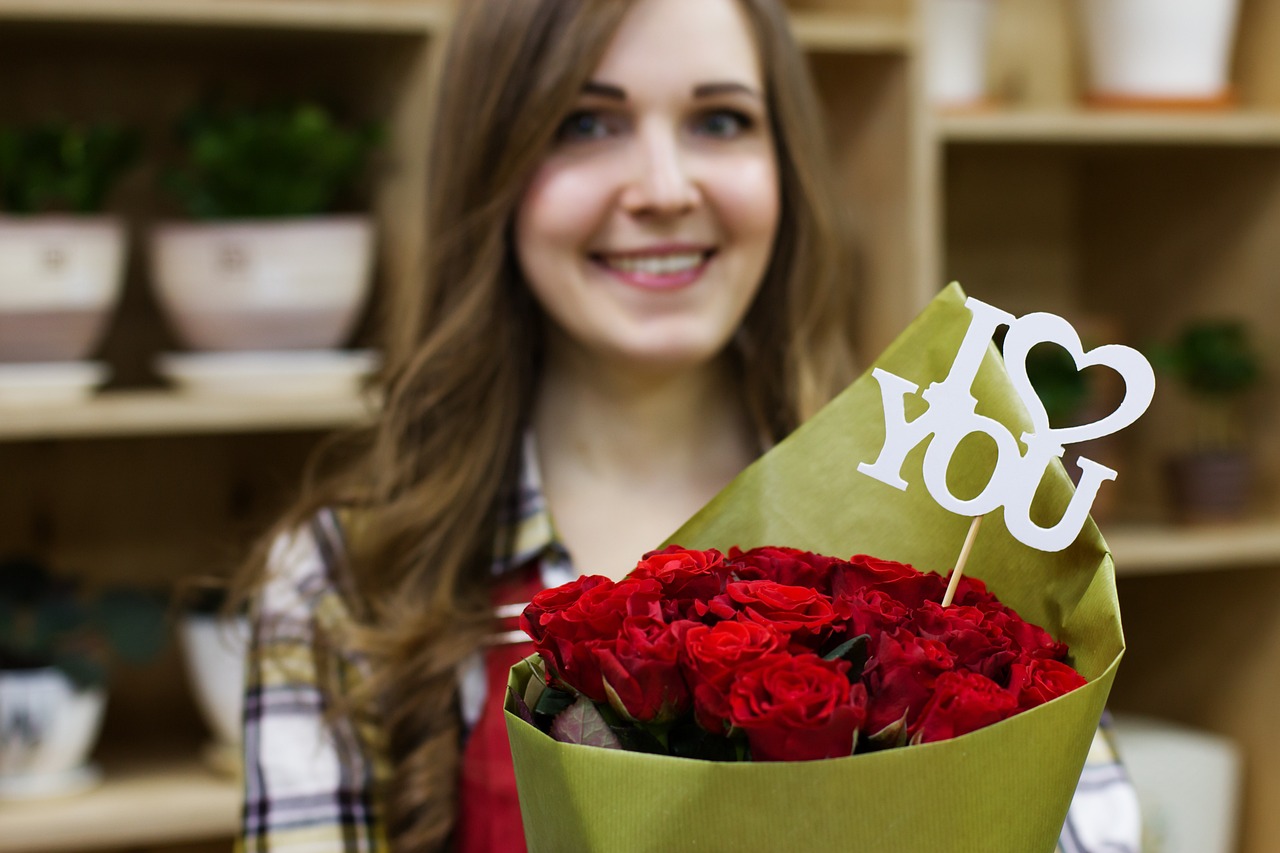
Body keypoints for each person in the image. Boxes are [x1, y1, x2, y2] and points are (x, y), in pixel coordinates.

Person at [234, 1, 1141, 852]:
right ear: (494, 168)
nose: (664, 188)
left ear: (786, 162)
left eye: (720, 120)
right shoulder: (343, 576)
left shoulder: (953, 506)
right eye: (586, 123)